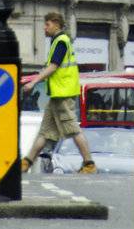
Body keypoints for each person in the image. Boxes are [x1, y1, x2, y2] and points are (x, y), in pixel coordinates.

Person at [20, 12, 96, 175]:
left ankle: (89, 164)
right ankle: (26, 163)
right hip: (56, 95)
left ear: (55, 23)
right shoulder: (57, 42)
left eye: (47, 24)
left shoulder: (61, 41)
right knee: (44, 132)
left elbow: (53, 67)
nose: (44, 28)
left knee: (73, 129)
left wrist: (34, 82)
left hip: (63, 94)